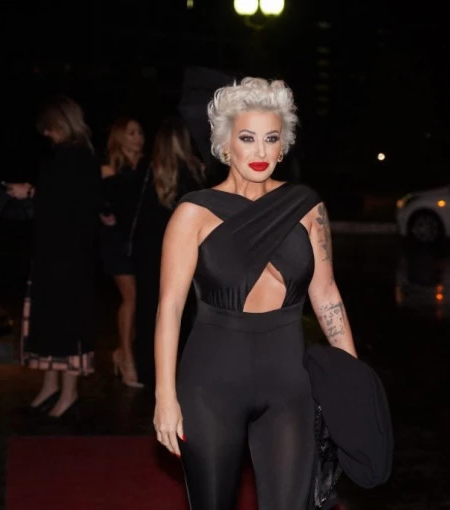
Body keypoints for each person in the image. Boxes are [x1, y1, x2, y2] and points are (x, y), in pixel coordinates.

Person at [152, 77, 358, 509]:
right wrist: (164, 397)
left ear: (283, 146)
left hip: (290, 384)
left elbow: (327, 294)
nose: (261, 151)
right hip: (210, 385)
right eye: (247, 138)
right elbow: (170, 308)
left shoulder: (307, 206)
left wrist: (352, 379)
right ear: (225, 144)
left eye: (271, 138)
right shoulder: (194, 213)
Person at [8, 94, 101, 418]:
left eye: (49, 128)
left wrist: (32, 192)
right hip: (54, 252)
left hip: (69, 256)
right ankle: (50, 385)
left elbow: (71, 205)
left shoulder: (78, 157)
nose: (46, 134)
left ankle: (69, 392)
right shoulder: (68, 156)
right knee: (48, 322)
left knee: (66, 323)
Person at [132, 116, 206, 387]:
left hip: (150, 256)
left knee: (151, 313)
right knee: (182, 315)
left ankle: (150, 375)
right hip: (185, 256)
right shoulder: (196, 173)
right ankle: (181, 375)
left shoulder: (150, 173)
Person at [99, 117, 149, 388]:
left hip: (141, 241)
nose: (138, 137)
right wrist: (103, 211)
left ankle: (122, 351)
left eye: (140, 132)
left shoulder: (149, 168)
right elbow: (99, 202)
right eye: (131, 133)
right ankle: (127, 359)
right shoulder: (108, 169)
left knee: (138, 300)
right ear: (119, 137)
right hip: (117, 241)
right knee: (130, 297)